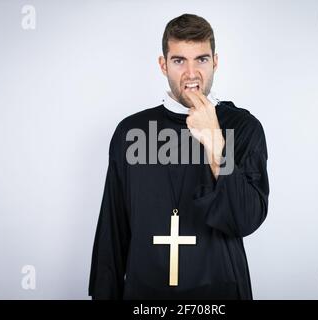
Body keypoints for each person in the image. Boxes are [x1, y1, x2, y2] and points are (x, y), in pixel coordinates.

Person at [89, 13, 269, 300]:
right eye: (178, 60)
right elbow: (113, 228)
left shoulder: (243, 128)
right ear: (163, 65)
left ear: (215, 62)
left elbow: (244, 220)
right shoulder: (131, 132)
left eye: (201, 59)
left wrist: (214, 140)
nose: (191, 73)